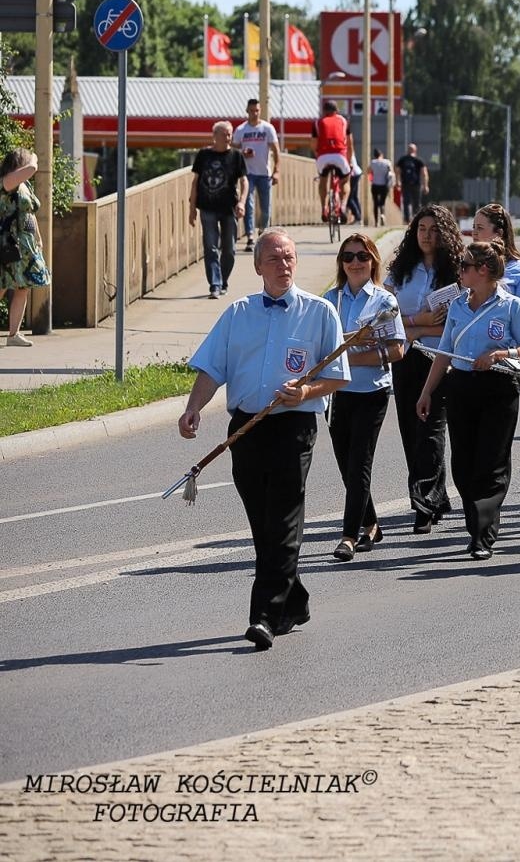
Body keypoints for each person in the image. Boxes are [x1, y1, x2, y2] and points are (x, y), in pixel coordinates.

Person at [179, 229, 349, 650]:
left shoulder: (320, 312)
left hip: (295, 426)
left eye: (289, 257)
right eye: (274, 258)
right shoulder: (238, 313)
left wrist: (306, 392)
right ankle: (294, 600)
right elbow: (212, 368)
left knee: (284, 519)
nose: (283, 265)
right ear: (258, 267)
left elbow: (336, 376)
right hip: (246, 429)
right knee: (263, 524)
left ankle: (265, 616)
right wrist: (193, 408)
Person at [416, 240, 520, 561]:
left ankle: (483, 534)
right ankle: (477, 526)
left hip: (499, 387)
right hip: (461, 386)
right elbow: (444, 352)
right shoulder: (457, 305)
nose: (460, 271)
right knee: (463, 463)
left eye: (464, 266)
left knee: (491, 462)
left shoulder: (511, 306)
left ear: (482, 270)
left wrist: (500, 353)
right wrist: (427, 392)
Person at [323, 234, 404, 561]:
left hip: (372, 392)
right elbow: (321, 347)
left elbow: (397, 350)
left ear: (372, 261)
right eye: (348, 257)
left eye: (362, 256)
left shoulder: (384, 301)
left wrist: (349, 358)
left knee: (359, 464)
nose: (355, 263)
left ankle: (349, 536)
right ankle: (370, 524)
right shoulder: (330, 300)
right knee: (347, 467)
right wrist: (350, 345)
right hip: (336, 394)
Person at [384, 205, 464, 533]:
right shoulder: (401, 270)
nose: (427, 236)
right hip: (405, 357)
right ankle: (431, 496)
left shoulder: (457, 271)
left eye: (434, 230)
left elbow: (457, 324)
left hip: (440, 357)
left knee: (431, 429)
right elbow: (385, 317)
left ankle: (425, 505)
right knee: (410, 428)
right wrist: (418, 322)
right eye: (421, 229)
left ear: (445, 234)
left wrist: (417, 329)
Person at [190, 121, 247, 300]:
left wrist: (242, 202)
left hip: (229, 208)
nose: (228, 137)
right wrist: (192, 209)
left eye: (230, 134)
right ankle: (214, 284)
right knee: (211, 247)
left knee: (229, 249)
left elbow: (244, 182)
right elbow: (195, 182)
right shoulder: (204, 155)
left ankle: (223, 281)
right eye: (224, 134)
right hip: (207, 207)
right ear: (215, 136)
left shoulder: (236, 156)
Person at [1, 147, 50, 346]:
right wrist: (34, 158)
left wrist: (38, 237)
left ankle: (14, 334)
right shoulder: (7, 182)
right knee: (2, 285)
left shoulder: (24, 185)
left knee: (23, 287)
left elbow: (30, 212)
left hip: (26, 244)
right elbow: (32, 169)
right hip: (8, 243)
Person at [231, 97, 279, 250]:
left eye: (257, 110)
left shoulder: (267, 128)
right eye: (252, 111)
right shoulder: (241, 130)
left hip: (264, 173)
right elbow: (233, 150)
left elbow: (276, 150)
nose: (254, 113)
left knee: (266, 207)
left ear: (260, 111)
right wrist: (242, 152)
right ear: (247, 111)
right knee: (248, 205)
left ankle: (263, 232)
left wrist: (277, 171)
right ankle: (250, 236)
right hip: (247, 173)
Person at [472, 203, 520, 307]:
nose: (474, 232)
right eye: (473, 227)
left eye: (480, 228)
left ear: (499, 233)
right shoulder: (468, 266)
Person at [314, 101, 354, 222]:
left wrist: (318, 155)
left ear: (324, 111)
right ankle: (343, 206)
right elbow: (350, 144)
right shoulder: (343, 121)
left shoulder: (318, 122)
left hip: (323, 157)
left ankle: (324, 208)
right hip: (340, 156)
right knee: (346, 180)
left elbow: (313, 144)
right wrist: (349, 161)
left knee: (323, 180)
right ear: (336, 110)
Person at [396, 143, 429, 223]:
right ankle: (417, 220)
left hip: (405, 183)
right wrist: (425, 185)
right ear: (415, 150)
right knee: (417, 203)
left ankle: (407, 220)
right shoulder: (419, 160)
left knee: (406, 202)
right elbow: (424, 173)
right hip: (416, 184)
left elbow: (397, 171)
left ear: (408, 150)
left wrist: (398, 181)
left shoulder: (402, 159)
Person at [368, 148, 392, 226]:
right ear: (381, 154)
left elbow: (368, 171)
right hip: (384, 185)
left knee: (375, 203)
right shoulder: (387, 162)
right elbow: (390, 172)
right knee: (382, 202)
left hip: (375, 184)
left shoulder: (373, 162)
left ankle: (376, 222)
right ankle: (382, 214)